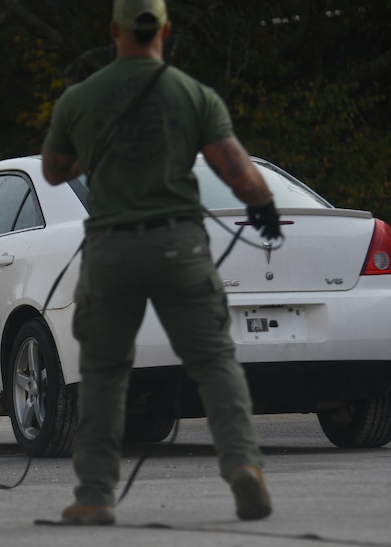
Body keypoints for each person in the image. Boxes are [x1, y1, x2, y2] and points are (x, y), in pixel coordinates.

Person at [40, 0, 282, 525]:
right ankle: (243, 466)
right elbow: (239, 171)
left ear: (114, 30)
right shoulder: (194, 94)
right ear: (165, 29)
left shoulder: (81, 98)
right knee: (215, 361)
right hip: (181, 247)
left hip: (111, 253)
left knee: (104, 372)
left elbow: (54, 170)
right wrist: (263, 208)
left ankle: (96, 495)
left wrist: (95, 151)